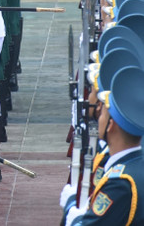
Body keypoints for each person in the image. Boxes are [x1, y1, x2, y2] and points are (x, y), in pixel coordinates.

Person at [61, 66, 144, 224]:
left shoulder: (120, 184)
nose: (99, 117)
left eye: (103, 114)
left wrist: (70, 205)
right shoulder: (132, 167)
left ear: (111, 125)